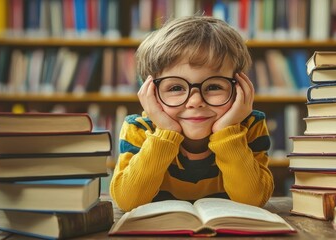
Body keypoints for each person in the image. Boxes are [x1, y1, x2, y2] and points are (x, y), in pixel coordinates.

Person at [110, 15, 274, 212]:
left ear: (240, 87)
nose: (195, 102)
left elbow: (253, 201)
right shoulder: (139, 128)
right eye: (176, 87)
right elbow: (128, 202)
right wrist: (166, 133)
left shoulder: (249, 126)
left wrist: (226, 132)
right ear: (151, 92)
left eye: (213, 86)